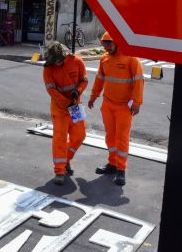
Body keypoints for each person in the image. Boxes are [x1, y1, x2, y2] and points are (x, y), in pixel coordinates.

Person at [87, 31, 144, 186]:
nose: (106, 47)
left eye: (108, 43)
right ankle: (112, 164)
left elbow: (139, 81)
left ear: (118, 42)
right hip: (108, 104)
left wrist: (137, 103)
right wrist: (93, 97)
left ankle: (121, 169)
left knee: (122, 138)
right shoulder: (104, 59)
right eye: (104, 44)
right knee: (110, 136)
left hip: (124, 107)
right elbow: (99, 79)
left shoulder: (131, 59)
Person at [42, 41, 88, 185]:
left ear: (63, 56)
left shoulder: (77, 61)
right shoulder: (48, 68)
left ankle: (66, 159)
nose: (55, 64)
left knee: (80, 136)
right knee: (60, 139)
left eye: (57, 61)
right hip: (60, 109)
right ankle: (60, 171)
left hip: (75, 106)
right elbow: (51, 90)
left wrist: (77, 91)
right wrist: (65, 102)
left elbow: (84, 80)